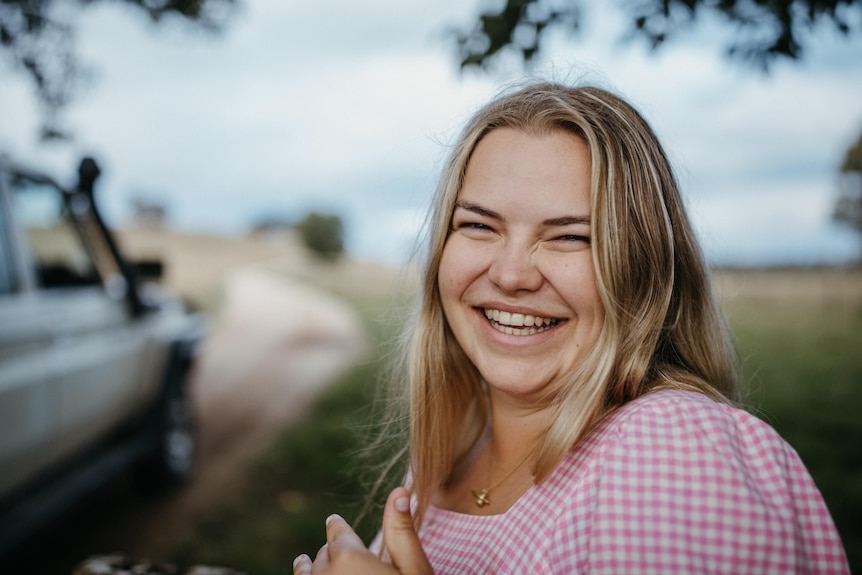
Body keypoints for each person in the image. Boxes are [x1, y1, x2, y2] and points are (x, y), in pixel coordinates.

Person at [292, 82, 850, 574]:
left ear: (642, 269)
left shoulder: (669, 445)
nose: (510, 275)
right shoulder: (443, 461)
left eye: (568, 236)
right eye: (479, 226)